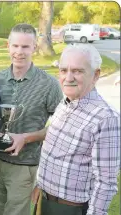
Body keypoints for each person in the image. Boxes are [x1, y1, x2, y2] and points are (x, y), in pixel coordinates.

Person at [32, 44, 120, 215]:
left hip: (70, 209)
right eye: (64, 70)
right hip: (45, 201)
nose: (68, 77)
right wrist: (41, 185)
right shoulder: (65, 103)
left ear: (96, 75)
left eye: (78, 71)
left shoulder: (106, 119)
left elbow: (106, 182)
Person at [0, 23, 64, 215]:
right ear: (8, 46)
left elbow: (61, 127)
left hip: (25, 165)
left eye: (25, 46)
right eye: (15, 46)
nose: (19, 52)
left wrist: (25, 138)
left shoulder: (49, 84)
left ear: (34, 48)